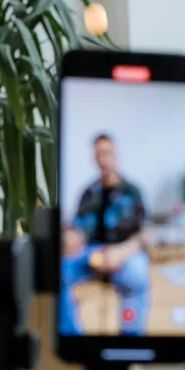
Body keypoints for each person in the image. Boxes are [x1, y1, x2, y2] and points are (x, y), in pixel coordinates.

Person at [60, 133, 151, 336]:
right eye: (98, 154)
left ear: (116, 155)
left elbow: (145, 234)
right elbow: (77, 228)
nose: (103, 159)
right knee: (58, 271)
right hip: (91, 253)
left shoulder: (132, 192)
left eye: (107, 153)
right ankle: (72, 339)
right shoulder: (88, 193)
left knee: (136, 274)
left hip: (125, 252)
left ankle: (130, 341)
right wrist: (72, 237)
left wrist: (121, 252)